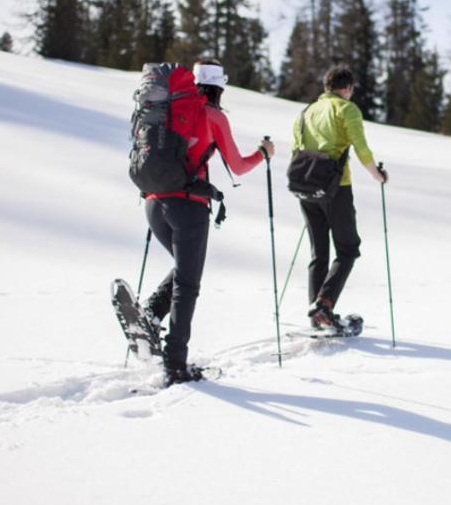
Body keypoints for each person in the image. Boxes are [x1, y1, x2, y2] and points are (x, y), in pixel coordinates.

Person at [143, 61, 274, 385]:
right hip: (188, 207)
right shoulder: (213, 116)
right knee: (188, 284)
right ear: (220, 86)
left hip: (153, 202)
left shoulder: (169, 109)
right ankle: (175, 363)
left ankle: (149, 314)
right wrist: (263, 153)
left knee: (185, 269)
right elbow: (239, 166)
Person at [293, 63, 387, 330]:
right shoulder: (347, 109)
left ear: (326, 87)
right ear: (347, 88)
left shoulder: (305, 112)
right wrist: (377, 175)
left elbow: (297, 148)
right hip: (336, 187)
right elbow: (361, 148)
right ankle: (324, 304)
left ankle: (317, 314)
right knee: (348, 248)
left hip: (305, 186)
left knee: (318, 253)